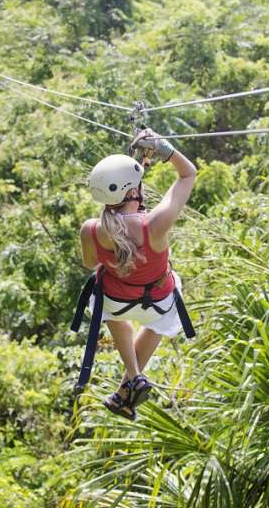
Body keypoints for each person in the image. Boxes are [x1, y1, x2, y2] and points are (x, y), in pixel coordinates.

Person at [78, 129, 196, 420]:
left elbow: (90, 264)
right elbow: (188, 174)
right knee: (168, 298)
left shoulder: (91, 229)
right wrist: (164, 149)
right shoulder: (155, 223)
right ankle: (129, 382)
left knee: (103, 295)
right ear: (134, 192)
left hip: (117, 301)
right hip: (158, 301)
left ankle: (130, 381)